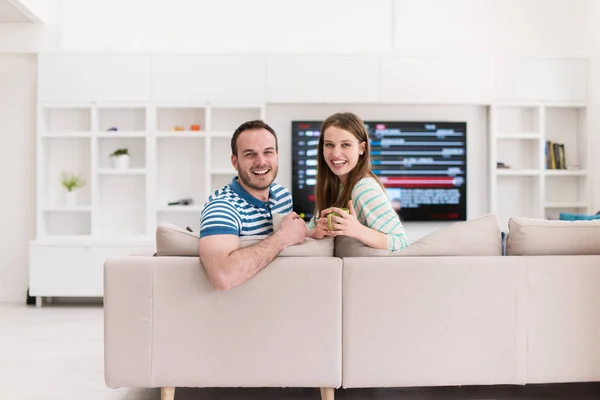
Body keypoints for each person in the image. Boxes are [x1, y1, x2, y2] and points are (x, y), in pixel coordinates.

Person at [198, 120, 307, 290]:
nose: (261, 161)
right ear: (235, 162)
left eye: (268, 152)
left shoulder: (283, 196)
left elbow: (288, 244)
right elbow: (222, 276)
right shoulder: (221, 207)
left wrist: (311, 233)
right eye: (250, 154)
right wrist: (282, 238)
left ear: (277, 155)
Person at [306, 112, 409, 251]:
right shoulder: (335, 186)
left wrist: (356, 230)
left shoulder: (364, 189)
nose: (336, 153)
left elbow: (401, 242)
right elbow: (309, 230)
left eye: (345, 145)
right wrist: (315, 231)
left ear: (362, 148)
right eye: (329, 144)